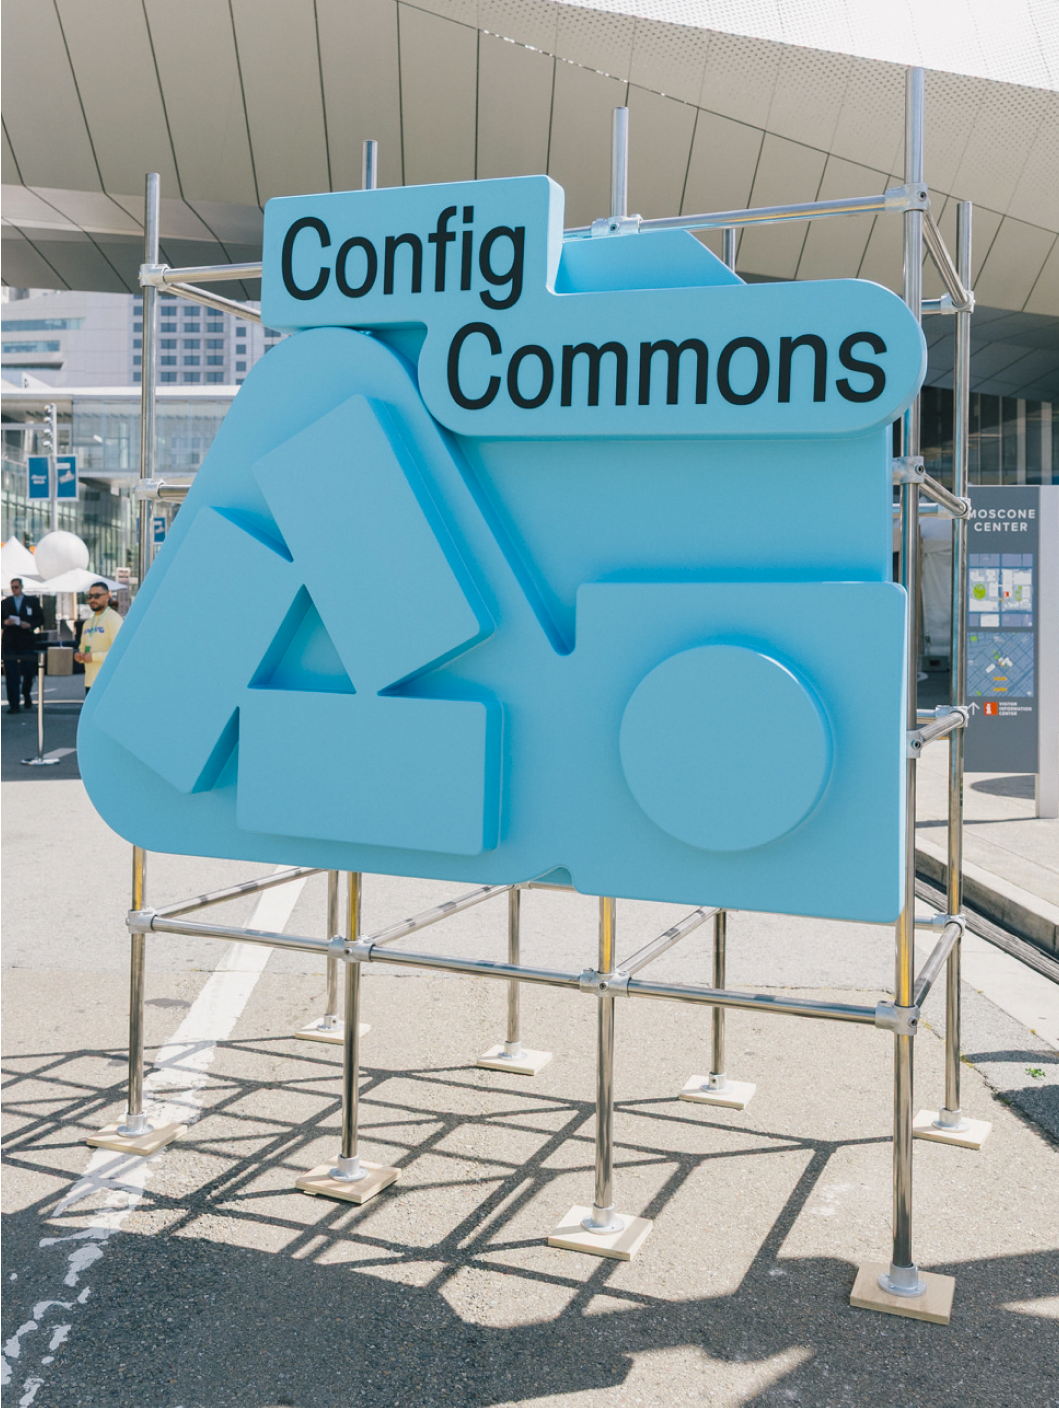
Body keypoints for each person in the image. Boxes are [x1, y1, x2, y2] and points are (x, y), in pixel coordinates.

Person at [1, 577, 44, 714]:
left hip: (26, 641)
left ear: (21, 587)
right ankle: (14, 704)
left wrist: (30, 625)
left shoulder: (32, 601)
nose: (14, 590)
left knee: (28, 671)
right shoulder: (5, 603)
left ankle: (26, 693)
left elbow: (40, 619)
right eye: (12, 587)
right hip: (10, 642)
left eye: (16, 587)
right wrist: (5, 623)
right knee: (11, 674)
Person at [75, 582, 123, 692]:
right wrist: (80, 656)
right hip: (89, 682)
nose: (93, 599)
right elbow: (83, 648)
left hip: (107, 681)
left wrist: (93, 657)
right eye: (90, 596)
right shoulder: (87, 623)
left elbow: (119, 652)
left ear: (107, 596)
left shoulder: (113, 619)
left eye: (97, 596)